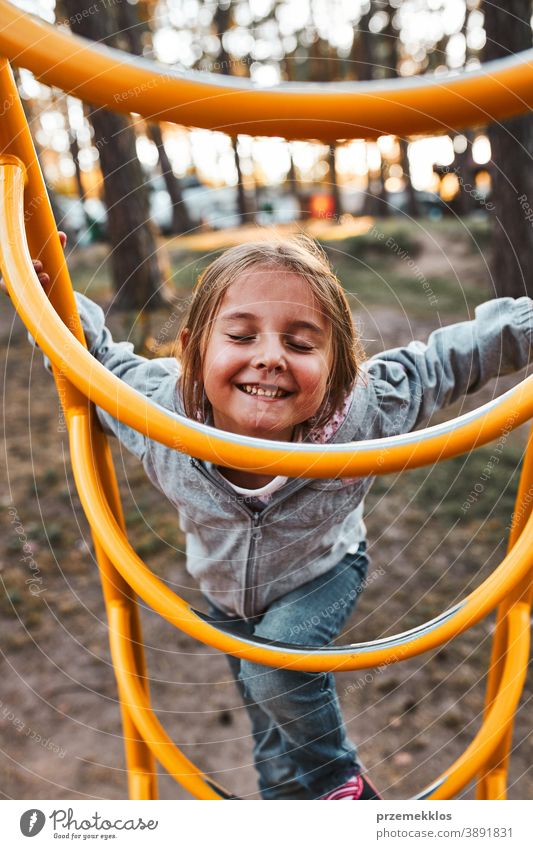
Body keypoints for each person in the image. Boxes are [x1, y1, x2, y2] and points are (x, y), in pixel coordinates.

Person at [3, 234, 533, 800]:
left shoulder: (362, 414)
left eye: (303, 344)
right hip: (224, 597)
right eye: (239, 336)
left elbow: (444, 362)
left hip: (323, 573)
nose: (271, 357)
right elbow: (93, 359)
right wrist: (45, 291)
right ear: (193, 349)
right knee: (272, 729)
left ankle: (341, 790)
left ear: (336, 367)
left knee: (275, 668)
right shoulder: (159, 415)